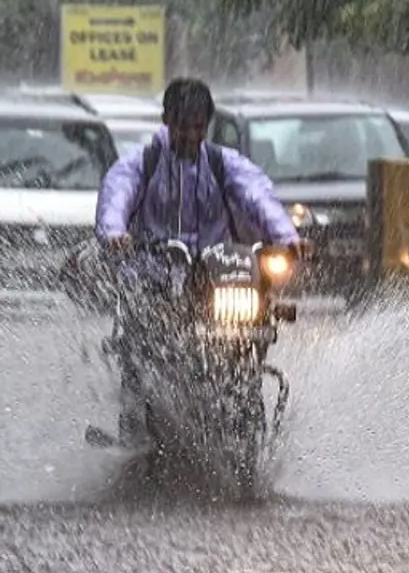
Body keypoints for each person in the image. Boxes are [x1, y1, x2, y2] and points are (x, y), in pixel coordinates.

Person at [92, 77, 302, 447]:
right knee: (140, 340)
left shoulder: (224, 164)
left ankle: (244, 400)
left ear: (207, 126)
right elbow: (117, 196)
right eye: (182, 127)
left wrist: (286, 237)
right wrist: (114, 233)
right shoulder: (142, 164)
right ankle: (136, 424)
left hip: (217, 279)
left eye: (197, 127)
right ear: (166, 121)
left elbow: (257, 195)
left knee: (255, 323)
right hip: (153, 277)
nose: (190, 136)